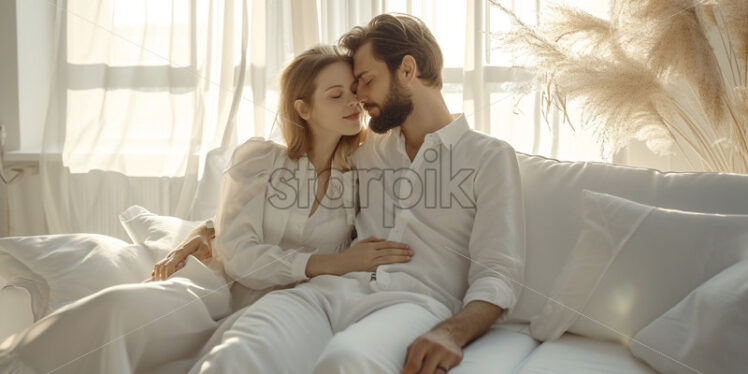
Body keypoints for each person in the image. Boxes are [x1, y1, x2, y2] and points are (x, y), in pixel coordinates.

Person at [0, 45, 411, 374]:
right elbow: (240, 254)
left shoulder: (361, 171)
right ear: (303, 109)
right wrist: (325, 262)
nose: (352, 104)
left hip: (283, 308)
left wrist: (210, 229)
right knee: (118, 308)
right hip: (215, 290)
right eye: (335, 95)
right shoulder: (259, 159)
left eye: (354, 94)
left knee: (234, 356)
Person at [186, 13, 525, 374]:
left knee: (346, 362)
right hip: (328, 292)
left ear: (407, 70)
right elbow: (283, 193)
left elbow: (499, 273)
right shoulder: (366, 150)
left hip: (415, 305)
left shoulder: (489, 157)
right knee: (241, 349)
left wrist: (451, 333)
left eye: (365, 81)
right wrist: (207, 230)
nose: (358, 98)